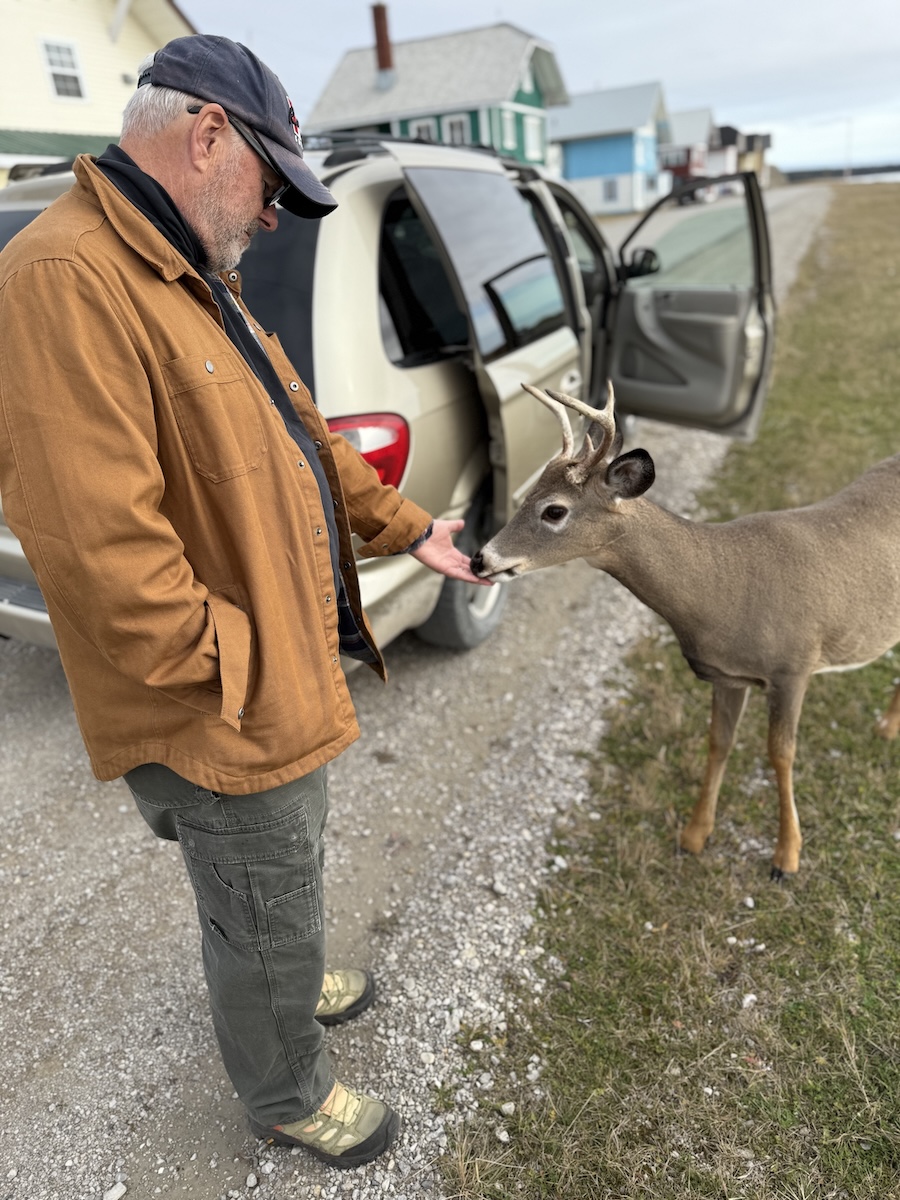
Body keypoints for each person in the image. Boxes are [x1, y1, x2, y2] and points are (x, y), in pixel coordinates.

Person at [0, 34, 489, 1170]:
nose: (273, 216)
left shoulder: (181, 265)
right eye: (273, 185)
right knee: (259, 892)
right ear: (209, 134)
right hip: (225, 694)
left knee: (282, 869)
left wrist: (411, 528)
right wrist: (239, 664)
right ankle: (285, 1092)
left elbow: (301, 431)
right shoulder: (63, 279)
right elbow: (97, 547)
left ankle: (288, 979)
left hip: (267, 667)